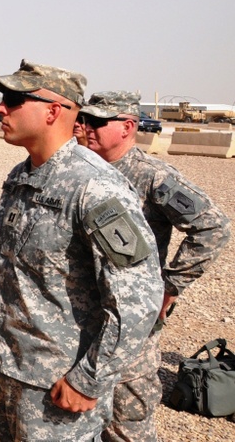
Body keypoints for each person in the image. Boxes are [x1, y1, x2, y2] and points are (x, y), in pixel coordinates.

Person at [0, 60, 163, 441]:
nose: (0, 108)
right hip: (7, 367)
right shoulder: (22, 176)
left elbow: (138, 298)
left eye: (14, 100)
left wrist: (89, 379)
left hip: (57, 385)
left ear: (52, 110)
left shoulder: (94, 187)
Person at [79, 91, 231, 442]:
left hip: (132, 318)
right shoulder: (81, 170)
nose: (86, 127)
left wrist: (170, 286)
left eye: (98, 122)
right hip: (83, 313)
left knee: (127, 418)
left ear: (127, 127)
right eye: (84, 119)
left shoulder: (151, 177)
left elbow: (213, 226)